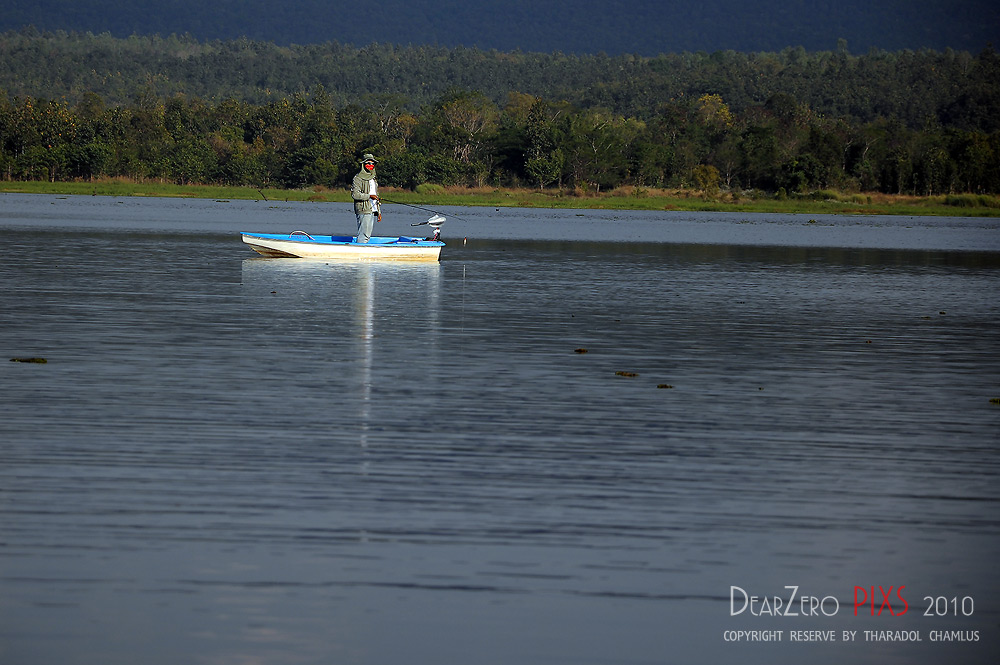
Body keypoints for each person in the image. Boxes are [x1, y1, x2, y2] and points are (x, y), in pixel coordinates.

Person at [351, 153, 380, 243]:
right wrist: (369, 196)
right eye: (368, 163)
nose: (370, 165)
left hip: (372, 209)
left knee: (368, 235)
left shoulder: (373, 178)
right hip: (363, 208)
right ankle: (359, 251)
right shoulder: (358, 178)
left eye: (372, 164)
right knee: (364, 235)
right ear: (363, 165)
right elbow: (355, 194)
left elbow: (376, 194)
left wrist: (379, 211)